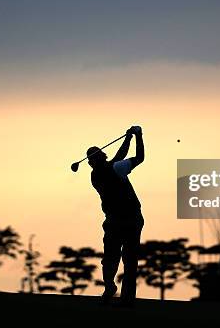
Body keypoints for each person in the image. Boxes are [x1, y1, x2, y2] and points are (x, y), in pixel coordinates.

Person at [87, 125, 144, 306]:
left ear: (90, 163)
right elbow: (139, 157)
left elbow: (117, 158)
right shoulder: (114, 169)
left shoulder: (95, 175)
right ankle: (127, 296)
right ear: (103, 157)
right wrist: (137, 136)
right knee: (129, 258)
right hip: (130, 219)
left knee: (111, 256)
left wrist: (129, 138)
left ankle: (110, 286)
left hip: (114, 220)